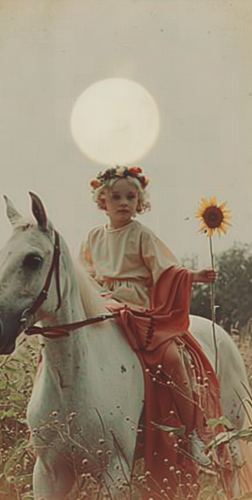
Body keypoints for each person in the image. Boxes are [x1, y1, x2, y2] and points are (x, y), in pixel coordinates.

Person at [79, 165, 218, 472]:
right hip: (102, 307)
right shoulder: (91, 238)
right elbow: (84, 278)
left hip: (139, 311)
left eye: (131, 197)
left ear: (140, 202)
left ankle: (193, 432)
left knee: (171, 357)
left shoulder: (141, 234)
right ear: (103, 201)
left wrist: (193, 276)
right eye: (116, 197)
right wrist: (96, 298)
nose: (124, 203)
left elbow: (167, 270)